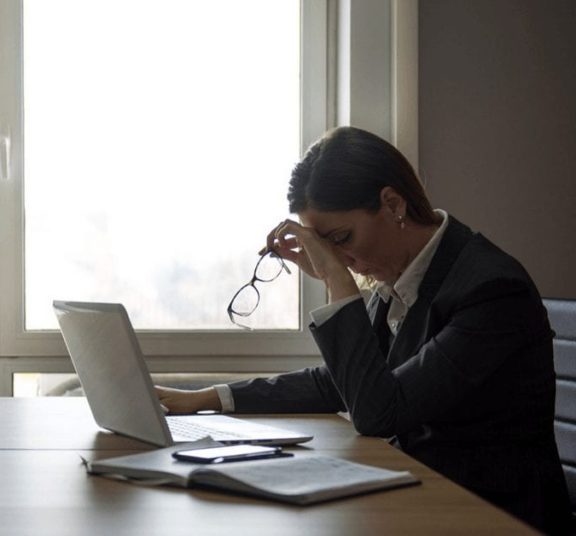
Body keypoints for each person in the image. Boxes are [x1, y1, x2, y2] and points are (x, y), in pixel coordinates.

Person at [156, 126, 570, 533]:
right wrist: (206, 398)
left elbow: (379, 412)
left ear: (392, 204)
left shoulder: (491, 290)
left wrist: (336, 280)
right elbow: (342, 384)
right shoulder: (405, 276)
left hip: (491, 515)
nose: (345, 259)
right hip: (421, 495)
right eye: (328, 247)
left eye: (342, 238)